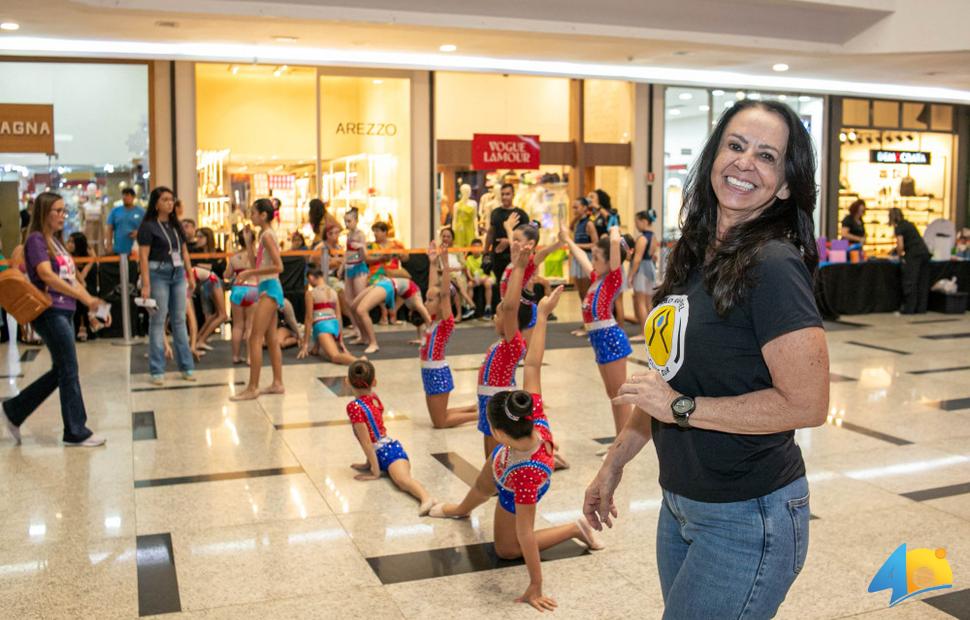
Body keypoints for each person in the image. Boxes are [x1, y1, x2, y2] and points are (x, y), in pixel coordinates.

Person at [583, 100, 828, 619]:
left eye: (767, 156)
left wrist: (683, 409)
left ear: (785, 185)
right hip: (680, 505)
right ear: (714, 154)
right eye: (736, 146)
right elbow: (665, 382)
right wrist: (613, 462)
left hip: (747, 513)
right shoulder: (692, 257)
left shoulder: (774, 264)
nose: (745, 163)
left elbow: (807, 403)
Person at [429, 286, 603, 612]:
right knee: (482, 483)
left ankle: (575, 528)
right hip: (508, 461)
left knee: (507, 548)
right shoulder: (532, 412)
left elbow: (525, 535)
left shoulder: (524, 479)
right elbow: (533, 365)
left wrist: (535, 586)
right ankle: (460, 508)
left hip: (518, 475)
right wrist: (544, 314)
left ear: (500, 434)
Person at [3, 192, 111, 447]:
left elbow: (70, 279)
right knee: (68, 369)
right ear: (44, 213)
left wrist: (93, 305)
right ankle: (75, 430)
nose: (63, 215)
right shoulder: (36, 240)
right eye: (58, 211)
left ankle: (14, 410)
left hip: (65, 311)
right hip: (50, 311)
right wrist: (86, 300)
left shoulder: (55, 242)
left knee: (62, 369)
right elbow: (47, 276)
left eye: (64, 211)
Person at [560, 225, 633, 437]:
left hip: (611, 339)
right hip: (599, 341)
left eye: (598, 257)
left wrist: (614, 231)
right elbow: (580, 254)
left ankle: (622, 442)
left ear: (610, 261)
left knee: (619, 395)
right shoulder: (596, 279)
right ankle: (620, 440)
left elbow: (613, 244)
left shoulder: (613, 279)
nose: (593, 261)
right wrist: (568, 240)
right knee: (613, 395)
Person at [346, 360, 435, 515]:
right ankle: (425, 497)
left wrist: (375, 472)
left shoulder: (354, 407)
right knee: (400, 481)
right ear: (374, 382)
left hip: (390, 452)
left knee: (402, 481)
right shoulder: (374, 397)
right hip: (382, 451)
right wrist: (369, 464)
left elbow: (367, 442)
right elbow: (373, 432)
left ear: (347, 382)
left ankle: (426, 498)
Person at [475, 240, 533, 458]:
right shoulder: (502, 343)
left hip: (497, 404)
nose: (495, 317)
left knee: (495, 458)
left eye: (498, 314)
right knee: (491, 457)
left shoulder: (513, 343)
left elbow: (509, 307)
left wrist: (518, 267)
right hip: (487, 401)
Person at [137, 187, 196, 386]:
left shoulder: (175, 225)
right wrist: (145, 284)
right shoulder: (148, 226)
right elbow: (143, 257)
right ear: (156, 203)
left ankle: (186, 366)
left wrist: (190, 274)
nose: (170, 203)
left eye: (171, 200)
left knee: (179, 320)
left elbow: (185, 251)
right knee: (158, 321)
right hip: (157, 273)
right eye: (165, 200)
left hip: (178, 274)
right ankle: (157, 370)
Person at [421, 240, 479, 429]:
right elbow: (434, 289)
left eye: (429, 300)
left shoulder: (445, 322)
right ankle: (474, 408)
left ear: (441, 304)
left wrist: (445, 266)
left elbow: (444, 295)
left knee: (440, 422)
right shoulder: (432, 319)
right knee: (439, 417)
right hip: (428, 372)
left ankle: (479, 415)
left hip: (437, 373)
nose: (425, 302)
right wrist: (432, 262)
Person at [231, 199, 285, 400]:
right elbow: (257, 263)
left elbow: (279, 267)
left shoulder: (268, 236)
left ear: (263, 215)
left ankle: (252, 387)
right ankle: (277, 383)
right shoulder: (264, 235)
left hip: (270, 288)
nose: (251, 216)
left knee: (254, 337)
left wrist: (249, 272)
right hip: (267, 287)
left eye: (253, 213)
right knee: (270, 338)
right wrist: (248, 243)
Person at [352, 274, 431, 354]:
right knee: (354, 307)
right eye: (411, 317)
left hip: (387, 284)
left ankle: (373, 343)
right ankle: (364, 338)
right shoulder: (417, 304)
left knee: (361, 310)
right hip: (386, 283)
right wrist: (428, 339)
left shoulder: (413, 304)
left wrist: (420, 339)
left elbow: (422, 322)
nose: (409, 316)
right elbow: (427, 319)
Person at [298, 266, 358, 365]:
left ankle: (360, 361)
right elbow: (338, 317)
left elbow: (309, 319)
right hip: (334, 325)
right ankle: (316, 347)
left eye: (308, 280)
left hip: (322, 326)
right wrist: (340, 339)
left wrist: (305, 344)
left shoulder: (311, 293)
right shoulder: (334, 292)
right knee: (327, 350)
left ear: (312, 277)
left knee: (335, 356)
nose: (309, 283)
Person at [483, 183, 529, 286]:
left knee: (514, 285)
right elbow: (491, 232)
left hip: (514, 257)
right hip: (497, 257)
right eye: (502, 194)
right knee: (499, 285)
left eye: (507, 194)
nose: (504, 197)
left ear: (513, 195)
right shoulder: (495, 212)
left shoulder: (521, 214)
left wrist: (508, 242)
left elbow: (526, 238)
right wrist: (485, 251)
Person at [890, 207, 931, 314]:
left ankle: (909, 308)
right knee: (922, 281)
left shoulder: (899, 227)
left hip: (914, 255)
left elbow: (901, 245)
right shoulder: (909, 224)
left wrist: (899, 256)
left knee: (911, 281)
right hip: (924, 253)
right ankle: (921, 308)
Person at [226, 228, 257, 364]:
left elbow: (227, 275)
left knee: (238, 325)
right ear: (253, 240)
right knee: (250, 326)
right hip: (252, 289)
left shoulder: (233, 257)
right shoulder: (256, 256)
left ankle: (235, 356)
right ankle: (250, 357)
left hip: (238, 289)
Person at [629, 209, 659, 329]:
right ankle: (651, 330)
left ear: (644, 221)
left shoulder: (642, 238)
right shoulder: (654, 236)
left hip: (641, 270)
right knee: (648, 302)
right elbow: (652, 255)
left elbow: (637, 259)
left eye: (637, 222)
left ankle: (643, 332)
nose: (636, 225)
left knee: (640, 301)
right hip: (650, 269)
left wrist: (630, 275)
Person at [438, 227, 476, 320]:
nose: (446, 238)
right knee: (453, 282)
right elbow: (436, 268)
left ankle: (459, 314)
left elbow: (464, 265)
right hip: (444, 276)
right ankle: (469, 303)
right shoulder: (438, 250)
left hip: (457, 275)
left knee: (454, 285)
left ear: (452, 238)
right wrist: (446, 270)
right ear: (441, 237)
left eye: (448, 236)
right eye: (444, 236)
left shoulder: (457, 249)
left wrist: (454, 269)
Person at [343, 208, 369, 338]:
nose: (347, 224)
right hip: (349, 268)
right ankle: (356, 328)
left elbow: (365, 257)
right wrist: (342, 267)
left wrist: (362, 247)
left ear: (356, 221)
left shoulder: (360, 234)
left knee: (359, 301)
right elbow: (347, 253)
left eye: (349, 221)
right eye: (345, 221)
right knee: (348, 300)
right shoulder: (348, 235)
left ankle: (364, 331)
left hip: (359, 267)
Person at [67, 232, 97, 342]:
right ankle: (77, 328)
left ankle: (90, 327)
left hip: (87, 286)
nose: (69, 244)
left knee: (88, 294)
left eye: (72, 242)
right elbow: (78, 277)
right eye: (68, 241)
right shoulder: (66, 256)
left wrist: (91, 261)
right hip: (73, 286)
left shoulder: (87, 255)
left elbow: (84, 277)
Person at [192, 264, 228, 355]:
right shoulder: (187, 272)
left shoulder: (188, 272)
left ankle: (199, 337)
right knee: (223, 315)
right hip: (212, 280)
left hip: (208, 281)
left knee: (216, 314)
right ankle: (201, 340)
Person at [104, 187, 144, 256]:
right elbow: (109, 228)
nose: (125, 197)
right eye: (124, 195)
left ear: (133, 197)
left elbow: (147, 228)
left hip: (136, 249)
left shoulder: (141, 212)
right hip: (118, 249)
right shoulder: (115, 211)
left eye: (128, 195)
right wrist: (109, 245)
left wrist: (139, 233)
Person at [465, 239, 495, 319]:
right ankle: (469, 307)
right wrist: (471, 278)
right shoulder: (469, 258)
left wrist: (483, 278)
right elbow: (468, 271)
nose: (476, 249)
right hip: (476, 279)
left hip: (488, 277)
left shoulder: (485, 257)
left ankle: (488, 308)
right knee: (470, 285)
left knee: (487, 284)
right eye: (474, 247)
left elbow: (487, 272)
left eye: (478, 247)